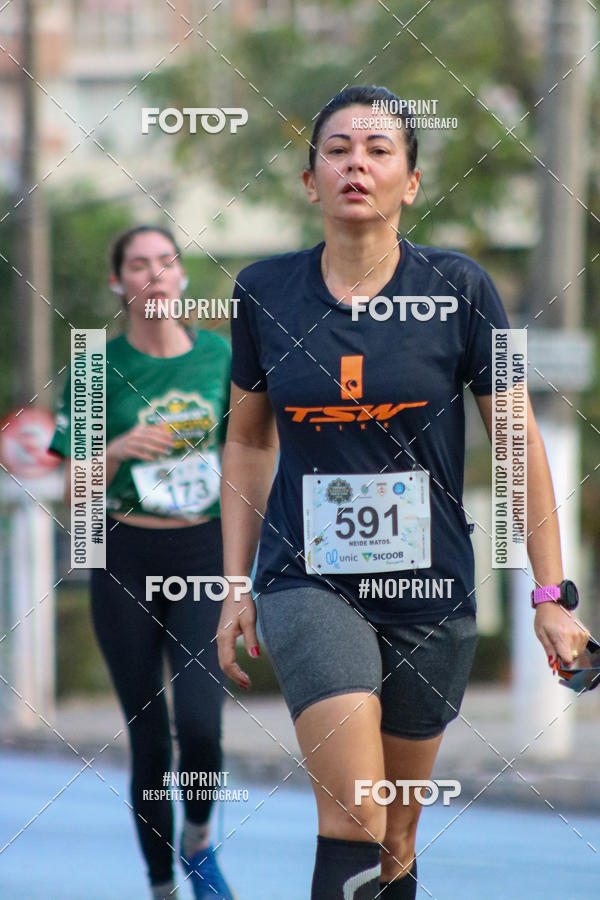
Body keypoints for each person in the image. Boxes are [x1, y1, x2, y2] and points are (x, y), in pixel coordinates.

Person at [215, 85, 591, 899]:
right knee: (355, 814)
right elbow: (246, 439)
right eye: (337, 150)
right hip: (306, 577)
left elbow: (519, 443)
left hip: (431, 587)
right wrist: (234, 586)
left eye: (379, 151)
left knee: (396, 833)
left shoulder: (463, 288)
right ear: (309, 180)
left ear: (411, 183)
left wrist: (552, 596)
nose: (357, 163)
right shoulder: (263, 292)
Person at [49, 225, 235, 900]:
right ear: (118, 284)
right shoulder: (96, 367)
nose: (153, 273)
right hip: (124, 553)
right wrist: (121, 447)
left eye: (165, 261)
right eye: (137, 264)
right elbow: (72, 492)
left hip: (203, 548)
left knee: (201, 725)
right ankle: (161, 887)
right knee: (150, 740)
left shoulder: (220, 357)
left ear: (182, 277)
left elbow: (250, 456)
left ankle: (199, 838)